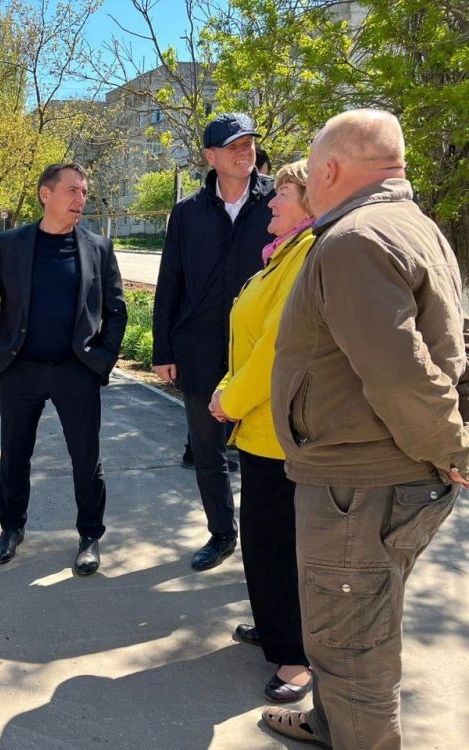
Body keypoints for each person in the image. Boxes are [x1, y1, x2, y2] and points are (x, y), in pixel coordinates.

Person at [264, 110, 464, 749]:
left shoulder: (355, 239)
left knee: (353, 651)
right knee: (345, 625)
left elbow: (401, 372)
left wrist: (452, 447)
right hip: (374, 474)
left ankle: (352, 731)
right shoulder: (412, 225)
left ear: (328, 169)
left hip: (361, 483)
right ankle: (330, 724)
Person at [0, 163, 127, 575]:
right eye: (72, 190)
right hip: (20, 371)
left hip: (76, 371)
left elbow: (116, 310)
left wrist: (102, 360)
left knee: (86, 457)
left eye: (84, 192)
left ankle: (90, 536)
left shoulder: (99, 247)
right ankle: (11, 528)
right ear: (46, 194)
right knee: (14, 455)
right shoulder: (12, 245)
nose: (81, 199)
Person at [208, 159, 316, 703]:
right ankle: (275, 629)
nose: (270, 202)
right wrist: (230, 385)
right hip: (261, 427)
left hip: (282, 431)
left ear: (311, 201)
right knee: (265, 543)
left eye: (283, 193)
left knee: (281, 546)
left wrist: (231, 397)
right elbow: (250, 341)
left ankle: (296, 658)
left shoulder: (305, 257)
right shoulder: (284, 255)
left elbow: (278, 349)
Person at [152, 113, 275, 571]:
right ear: (211, 156)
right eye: (233, 145)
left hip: (263, 351)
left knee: (265, 454)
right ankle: (222, 534)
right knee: (208, 452)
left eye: (249, 143)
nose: (245, 151)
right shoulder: (187, 213)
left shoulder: (278, 202)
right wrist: (163, 349)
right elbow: (171, 281)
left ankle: (270, 545)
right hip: (201, 349)